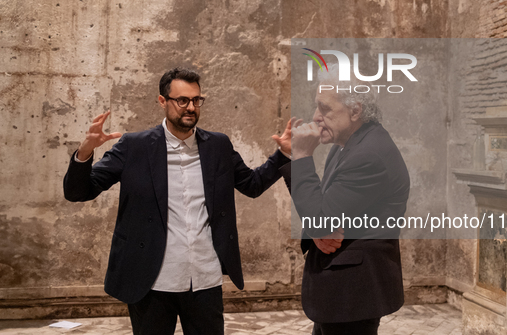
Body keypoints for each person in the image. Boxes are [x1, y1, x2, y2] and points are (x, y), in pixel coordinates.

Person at [63, 68, 291, 335]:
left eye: (196, 100)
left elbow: (252, 185)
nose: (191, 107)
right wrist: (86, 151)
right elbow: (79, 191)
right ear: (163, 101)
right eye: (182, 100)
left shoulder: (217, 145)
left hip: (204, 277)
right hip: (151, 279)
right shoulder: (134, 146)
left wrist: (282, 155)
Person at [281, 64, 410, 335]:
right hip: (340, 292)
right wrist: (317, 234)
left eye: (325, 108)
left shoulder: (368, 155)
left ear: (355, 110)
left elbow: (320, 217)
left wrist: (302, 157)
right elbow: (322, 209)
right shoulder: (345, 147)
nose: (316, 117)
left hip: (353, 294)